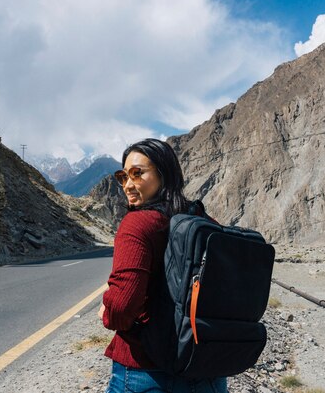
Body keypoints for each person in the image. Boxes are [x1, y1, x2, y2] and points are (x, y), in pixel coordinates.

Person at [98, 138, 228, 393]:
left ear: (164, 173)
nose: (128, 185)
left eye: (138, 174)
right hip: (205, 366)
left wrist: (107, 312)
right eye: (122, 177)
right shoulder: (203, 220)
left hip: (145, 371)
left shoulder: (136, 224)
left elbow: (123, 307)